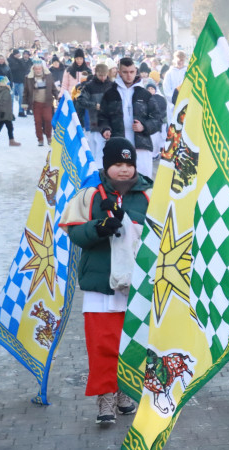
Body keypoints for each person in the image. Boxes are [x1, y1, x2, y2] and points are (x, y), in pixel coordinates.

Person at [60, 137, 150, 423]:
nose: (124, 170)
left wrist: (131, 223)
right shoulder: (89, 194)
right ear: (106, 165)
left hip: (137, 284)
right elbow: (74, 233)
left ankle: (127, 390)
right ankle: (105, 399)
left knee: (133, 343)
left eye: (128, 164)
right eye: (117, 164)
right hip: (100, 285)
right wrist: (99, 227)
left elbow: (161, 231)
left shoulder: (149, 193)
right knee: (102, 346)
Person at [98, 57, 162, 178]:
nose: (129, 75)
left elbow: (157, 119)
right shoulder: (109, 94)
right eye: (125, 72)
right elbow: (102, 117)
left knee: (144, 181)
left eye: (132, 72)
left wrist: (144, 126)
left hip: (141, 145)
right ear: (119, 72)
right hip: (118, 143)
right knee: (119, 182)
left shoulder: (145, 94)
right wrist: (105, 129)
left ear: (135, 71)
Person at [76, 62, 114, 160]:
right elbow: (80, 100)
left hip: (110, 123)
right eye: (100, 75)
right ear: (96, 73)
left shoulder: (112, 86)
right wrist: (94, 105)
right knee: (95, 151)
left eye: (104, 75)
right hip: (94, 122)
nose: (102, 78)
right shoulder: (89, 86)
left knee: (108, 152)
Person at [23, 61, 56, 146]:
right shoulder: (29, 78)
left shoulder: (48, 76)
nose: (38, 70)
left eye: (39, 68)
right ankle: (40, 139)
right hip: (36, 103)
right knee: (38, 121)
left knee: (48, 120)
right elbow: (25, 92)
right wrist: (24, 103)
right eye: (36, 69)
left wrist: (57, 96)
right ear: (33, 69)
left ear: (42, 68)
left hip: (47, 103)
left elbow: (53, 88)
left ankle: (49, 137)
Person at [0, 76, 21, 146]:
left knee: (0, 127)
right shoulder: (6, 91)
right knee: (9, 127)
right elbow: (4, 102)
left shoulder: (0, 91)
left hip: (2, 113)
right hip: (4, 114)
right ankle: (11, 141)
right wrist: (3, 112)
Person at [145, 81, 167, 159]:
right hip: (148, 123)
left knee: (159, 140)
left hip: (159, 122)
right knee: (152, 140)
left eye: (152, 88)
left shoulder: (160, 98)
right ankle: (153, 155)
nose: (150, 90)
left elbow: (162, 111)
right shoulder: (144, 98)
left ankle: (157, 154)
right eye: (148, 89)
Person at [8, 50, 30, 117]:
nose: (19, 55)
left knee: (22, 96)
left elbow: (24, 68)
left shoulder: (20, 61)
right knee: (11, 98)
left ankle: (21, 111)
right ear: (15, 54)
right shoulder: (9, 60)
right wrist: (18, 66)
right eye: (18, 54)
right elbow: (11, 69)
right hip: (13, 80)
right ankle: (10, 113)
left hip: (20, 80)